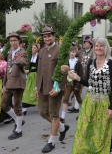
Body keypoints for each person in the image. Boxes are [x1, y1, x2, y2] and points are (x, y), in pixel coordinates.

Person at [69, 37, 112, 153]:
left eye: (101, 46)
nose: (99, 48)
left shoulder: (111, 64)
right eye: (97, 45)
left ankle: (111, 150)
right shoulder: (91, 62)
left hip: (105, 102)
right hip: (90, 102)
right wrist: (78, 78)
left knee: (107, 130)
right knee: (88, 128)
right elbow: (89, 82)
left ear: (106, 48)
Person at [35, 24, 69, 153]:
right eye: (44, 36)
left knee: (54, 114)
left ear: (54, 36)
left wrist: (59, 88)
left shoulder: (60, 50)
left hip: (55, 87)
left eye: (49, 36)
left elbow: (64, 71)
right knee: (43, 112)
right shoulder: (42, 51)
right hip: (43, 87)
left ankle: (52, 141)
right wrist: (36, 87)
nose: (47, 38)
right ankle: (62, 127)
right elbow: (39, 70)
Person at [0, 32, 27, 140]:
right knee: (3, 105)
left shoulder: (22, 52)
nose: (13, 42)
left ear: (19, 41)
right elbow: (7, 69)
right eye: (11, 41)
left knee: (17, 107)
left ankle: (18, 130)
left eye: (15, 40)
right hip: (9, 83)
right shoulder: (9, 52)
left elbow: (23, 62)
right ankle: (18, 120)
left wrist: (17, 61)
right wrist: (4, 84)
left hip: (18, 83)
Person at [68, 39, 94, 114]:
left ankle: (86, 107)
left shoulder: (93, 52)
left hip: (89, 74)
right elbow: (73, 53)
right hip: (80, 74)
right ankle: (77, 107)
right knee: (77, 90)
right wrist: (74, 46)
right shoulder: (81, 52)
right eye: (85, 43)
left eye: (87, 43)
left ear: (91, 45)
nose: (85, 44)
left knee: (87, 92)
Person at [60, 46, 83, 123]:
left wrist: (78, 85)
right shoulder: (66, 61)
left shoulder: (78, 62)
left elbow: (81, 74)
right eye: (71, 52)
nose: (72, 53)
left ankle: (82, 114)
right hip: (68, 82)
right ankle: (62, 117)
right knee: (65, 98)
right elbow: (63, 72)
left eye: (73, 52)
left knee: (78, 98)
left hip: (76, 82)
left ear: (76, 53)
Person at [21, 43, 40, 115]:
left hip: (35, 74)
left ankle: (40, 106)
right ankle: (24, 108)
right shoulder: (30, 56)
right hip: (29, 76)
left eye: (34, 48)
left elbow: (39, 67)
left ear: (38, 49)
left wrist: (29, 70)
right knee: (26, 91)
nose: (33, 49)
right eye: (32, 48)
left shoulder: (38, 56)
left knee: (36, 91)